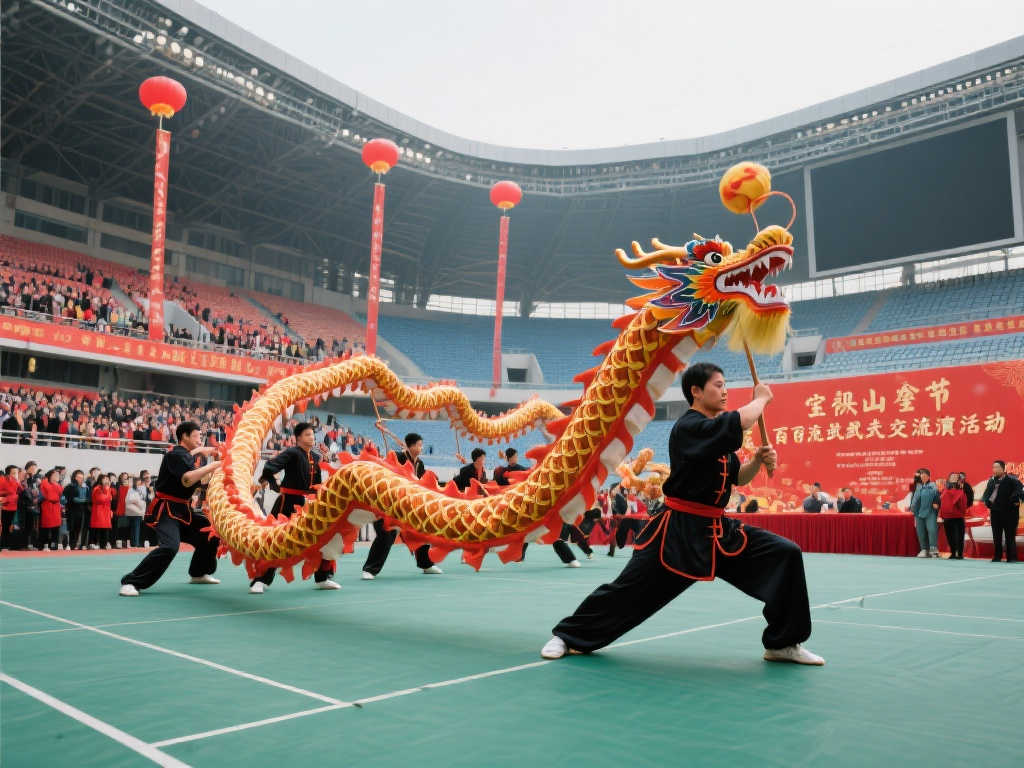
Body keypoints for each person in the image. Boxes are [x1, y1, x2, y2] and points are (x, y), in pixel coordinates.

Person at [541, 362, 823, 666]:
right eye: (718, 385)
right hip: (677, 533)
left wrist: (756, 460)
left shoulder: (715, 433)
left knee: (785, 554)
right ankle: (567, 636)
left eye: (725, 385)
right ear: (696, 391)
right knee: (629, 592)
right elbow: (740, 421)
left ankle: (783, 643)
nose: (725, 391)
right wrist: (762, 398)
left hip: (719, 531)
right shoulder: (689, 427)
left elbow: (738, 477)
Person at [119, 421, 222, 596]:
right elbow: (187, 480)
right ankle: (131, 582)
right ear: (184, 436)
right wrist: (213, 465)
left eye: (201, 437)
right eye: (196, 436)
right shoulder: (175, 455)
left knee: (209, 533)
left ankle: (198, 573)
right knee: (170, 547)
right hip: (167, 510)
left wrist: (206, 456)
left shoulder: (186, 457)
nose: (200, 440)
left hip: (184, 510)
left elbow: (200, 478)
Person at [251, 422, 340, 593]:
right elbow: (269, 467)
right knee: (276, 540)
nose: (311, 437)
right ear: (298, 438)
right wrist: (275, 484)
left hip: (307, 504)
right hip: (287, 503)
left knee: (324, 536)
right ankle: (261, 580)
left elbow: (316, 484)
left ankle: (323, 577)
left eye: (312, 434)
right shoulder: (292, 452)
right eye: (307, 434)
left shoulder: (315, 457)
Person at [360, 430, 442, 580]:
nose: (421, 448)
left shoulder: (420, 464)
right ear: (410, 446)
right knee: (386, 535)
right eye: (419, 445)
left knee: (423, 529)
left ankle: (426, 564)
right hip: (387, 505)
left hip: (407, 506)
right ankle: (370, 569)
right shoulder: (397, 457)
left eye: (421, 445)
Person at [981, 460, 1022, 563]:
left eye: (997, 467)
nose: (994, 469)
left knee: (1010, 536)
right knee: (996, 536)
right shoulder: (991, 481)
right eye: (993, 467)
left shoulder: (1013, 480)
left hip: (1010, 513)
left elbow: (1019, 491)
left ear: (1003, 469)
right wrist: (987, 503)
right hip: (995, 512)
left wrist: (1012, 501)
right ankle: (997, 556)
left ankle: (1011, 557)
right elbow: (986, 494)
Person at [910, 468, 941, 558]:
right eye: (921, 476)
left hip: (930, 511)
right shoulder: (918, 487)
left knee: (932, 530)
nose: (923, 478)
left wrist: (936, 502)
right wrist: (912, 508)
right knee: (920, 531)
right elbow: (914, 498)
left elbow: (937, 496)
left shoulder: (933, 486)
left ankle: (933, 549)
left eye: (924, 476)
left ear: (928, 477)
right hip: (918, 512)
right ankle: (924, 549)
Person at [938, 473, 968, 560]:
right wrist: (940, 515)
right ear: (949, 479)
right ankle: (953, 552)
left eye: (956, 477)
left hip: (958, 517)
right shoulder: (944, 490)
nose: (954, 478)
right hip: (947, 517)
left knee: (959, 536)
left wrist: (962, 512)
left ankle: (960, 553)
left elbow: (964, 503)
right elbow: (942, 503)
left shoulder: (962, 490)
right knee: (950, 536)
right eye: (952, 477)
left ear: (959, 479)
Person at [62, 470, 90, 549]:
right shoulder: (70, 486)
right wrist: (85, 500)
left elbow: (88, 497)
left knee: (78, 528)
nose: (80, 479)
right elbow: (73, 499)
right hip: (71, 510)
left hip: (81, 511)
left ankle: (75, 545)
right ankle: (70, 544)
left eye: (82, 477)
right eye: (78, 477)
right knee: (71, 528)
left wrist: (85, 499)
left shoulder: (85, 487)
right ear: (74, 477)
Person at [39, 469, 63, 551]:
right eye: (55, 475)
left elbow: (61, 496)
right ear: (50, 476)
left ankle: (54, 544)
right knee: (46, 527)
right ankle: (45, 545)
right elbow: (50, 496)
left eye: (58, 475)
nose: (57, 476)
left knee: (56, 527)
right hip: (47, 507)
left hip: (56, 508)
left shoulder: (58, 485)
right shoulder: (45, 483)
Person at [89, 474, 114, 550]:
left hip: (106, 511)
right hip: (99, 511)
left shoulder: (108, 489)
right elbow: (101, 499)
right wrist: (108, 494)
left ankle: (104, 543)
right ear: (100, 480)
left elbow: (112, 498)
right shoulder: (97, 488)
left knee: (105, 528)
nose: (107, 481)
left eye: (108, 479)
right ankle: (95, 543)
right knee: (98, 528)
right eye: (105, 479)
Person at [605, 483, 630, 556]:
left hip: (617, 518)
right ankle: (611, 551)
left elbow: (624, 508)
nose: (612, 491)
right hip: (614, 518)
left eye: (615, 489)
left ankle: (612, 551)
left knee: (614, 535)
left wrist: (620, 516)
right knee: (613, 535)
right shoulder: (612, 497)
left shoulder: (619, 497)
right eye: (613, 489)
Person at [1, 465, 22, 550]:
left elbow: (21, 491)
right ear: (8, 474)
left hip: (14, 508)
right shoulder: (2, 481)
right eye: (14, 473)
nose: (16, 475)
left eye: (16, 473)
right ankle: (3, 545)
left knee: (12, 527)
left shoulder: (17, 482)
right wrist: (9, 498)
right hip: (4, 508)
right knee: (4, 527)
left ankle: (10, 545)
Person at [124, 476, 147, 548]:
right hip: (133, 510)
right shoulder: (131, 489)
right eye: (138, 481)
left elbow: (143, 499)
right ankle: (135, 543)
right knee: (135, 527)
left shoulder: (141, 489)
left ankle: (134, 543)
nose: (139, 483)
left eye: (140, 481)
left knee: (135, 527)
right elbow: (129, 499)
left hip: (137, 510)